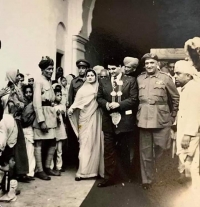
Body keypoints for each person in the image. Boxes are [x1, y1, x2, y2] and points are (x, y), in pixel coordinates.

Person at [137, 53, 180, 190]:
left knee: (162, 149)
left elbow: (175, 98)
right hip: (143, 119)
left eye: (152, 63)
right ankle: (147, 180)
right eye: (147, 63)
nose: (149, 65)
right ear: (144, 65)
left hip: (161, 119)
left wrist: (172, 117)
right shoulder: (140, 79)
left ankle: (162, 177)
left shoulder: (166, 79)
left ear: (157, 64)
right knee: (145, 152)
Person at [97, 64, 138, 187]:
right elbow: (99, 98)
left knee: (124, 148)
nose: (111, 72)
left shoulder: (130, 80)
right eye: (109, 69)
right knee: (109, 149)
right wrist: (106, 104)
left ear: (120, 67)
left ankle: (125, 176)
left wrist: (119, 105)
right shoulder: (103, 80)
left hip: (124, 120)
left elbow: (133, 99)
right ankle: (108, 178)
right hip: (108, 120)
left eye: (113, 69)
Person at [68, 69, 104, 180]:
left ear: (95, 76)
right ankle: (82, 172)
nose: (89, 77)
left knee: (96, 141)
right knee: (84, 143)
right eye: (88, 75)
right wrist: (72, 108)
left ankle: (95, 171)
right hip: (84, 117)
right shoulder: (82, 90)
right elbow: (76, 102)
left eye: (92, 75)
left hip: (96, 116)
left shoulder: (99, 88)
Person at [174, 60, 200, 189]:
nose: (175, 76)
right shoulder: (185, 89)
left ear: (188, 75)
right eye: (175, 73)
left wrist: (188, 135)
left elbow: (195, 113)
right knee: (188, 163)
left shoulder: (193, 89)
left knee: (191, 165)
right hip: (186, 132)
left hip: (190, 135)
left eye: (178, 73)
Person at [33, 56, 60, 180]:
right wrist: (41, 120)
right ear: (43, 69)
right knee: (39, 142)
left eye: (52, 69)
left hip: (51, 115)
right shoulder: (38, 81)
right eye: (48, 69)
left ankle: (48, 167)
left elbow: (52, 99)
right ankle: (40, 170)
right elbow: (37, 103)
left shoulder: (49, 81)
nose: (51, 71)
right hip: (43, 114)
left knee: (53, 141)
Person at [5, 70, 30, 183]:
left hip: (17, 119)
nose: (18, 77)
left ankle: (20, 172)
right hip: (11, 120)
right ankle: (15, 173)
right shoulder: (9, 88)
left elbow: (22, 100)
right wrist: (19, 105)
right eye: (16, 74)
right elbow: (12, 104)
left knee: (19, 146)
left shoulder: (16, 87)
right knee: (14, 147)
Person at [68, 59, 90, 166]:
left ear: (86, 69)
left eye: (83, 68)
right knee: (77, 136)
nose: (81, 70)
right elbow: (70, 98)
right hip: (77, 112)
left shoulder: (89, 80)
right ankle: (76, 162)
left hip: (87, 112)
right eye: (79, 68)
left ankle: (86, 161)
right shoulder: (74, 82)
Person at [21, 85, 36, 180]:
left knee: (30, 150)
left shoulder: (33, 103)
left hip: (30, 128)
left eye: (30, 92)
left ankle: (30, 173)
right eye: (26, 92)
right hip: (22, 128)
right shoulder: (22, 103)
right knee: (24, 151)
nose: (28, 94)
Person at [51, 86, 67, 173]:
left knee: (59, 150)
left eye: (61, 95)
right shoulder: (51, 106)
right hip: (54, 130)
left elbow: (64, 117)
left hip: (60, 129)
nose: (60, 96)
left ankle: (59, 166)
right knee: (52, 149)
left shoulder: (62, 106)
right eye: (58, 95)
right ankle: (50, 166)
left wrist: (61, 114)